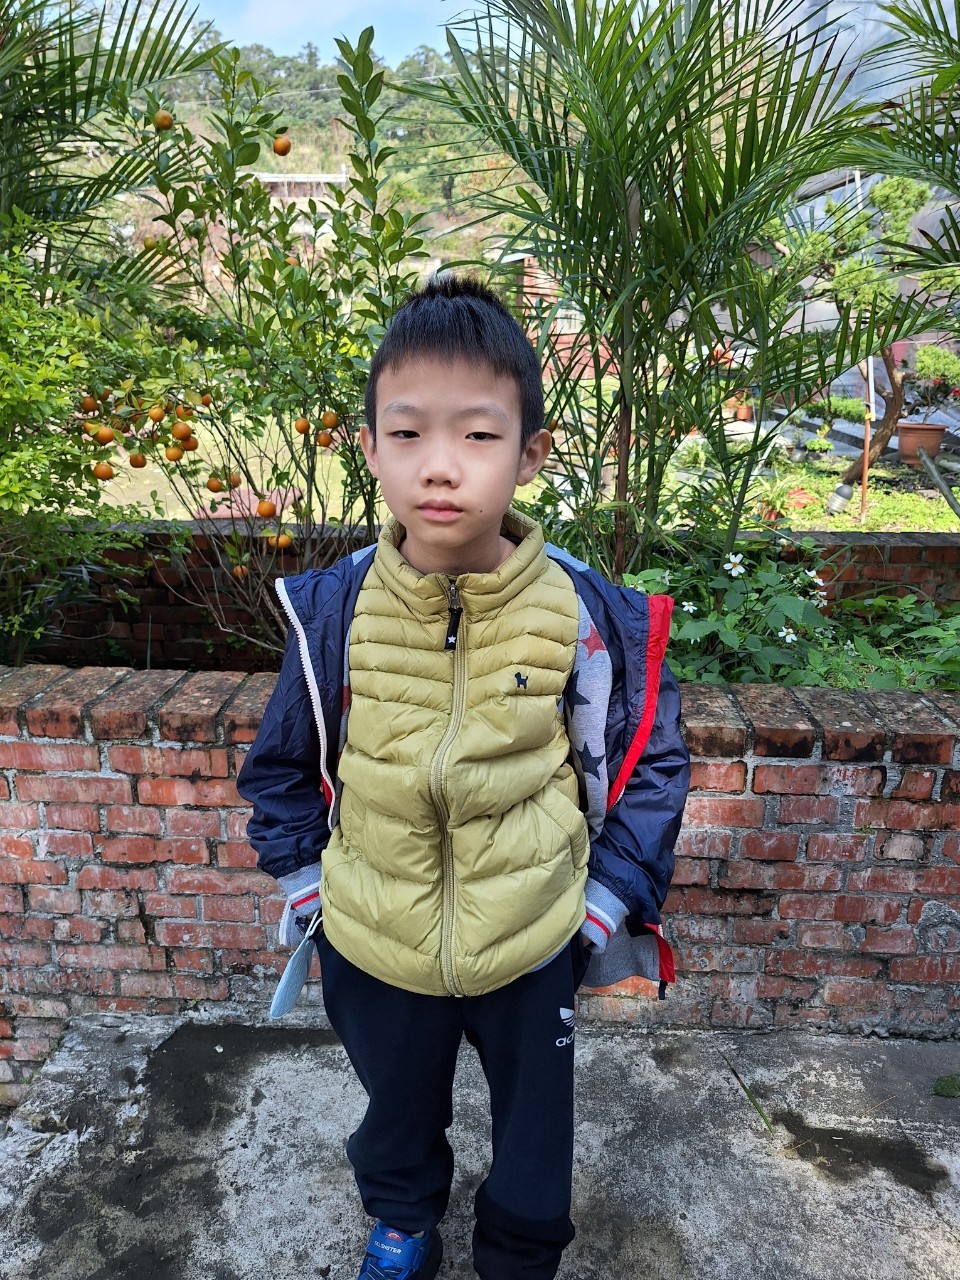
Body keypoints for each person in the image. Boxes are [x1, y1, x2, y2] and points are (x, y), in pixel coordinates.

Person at [236, 275, 691, 1280]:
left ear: (531, 451)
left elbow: (652, 763)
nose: (439, 466)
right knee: (394, 1111)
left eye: (479, 435)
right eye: (407, 433)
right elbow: (280, 765)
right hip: (375, 937)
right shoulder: (335, 611)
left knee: (536, 1141)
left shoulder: (585, 614)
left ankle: (518, 1257)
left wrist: (600, 908)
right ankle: (402, 1221)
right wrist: (312, 893)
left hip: (534, 939)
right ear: (370, 447)